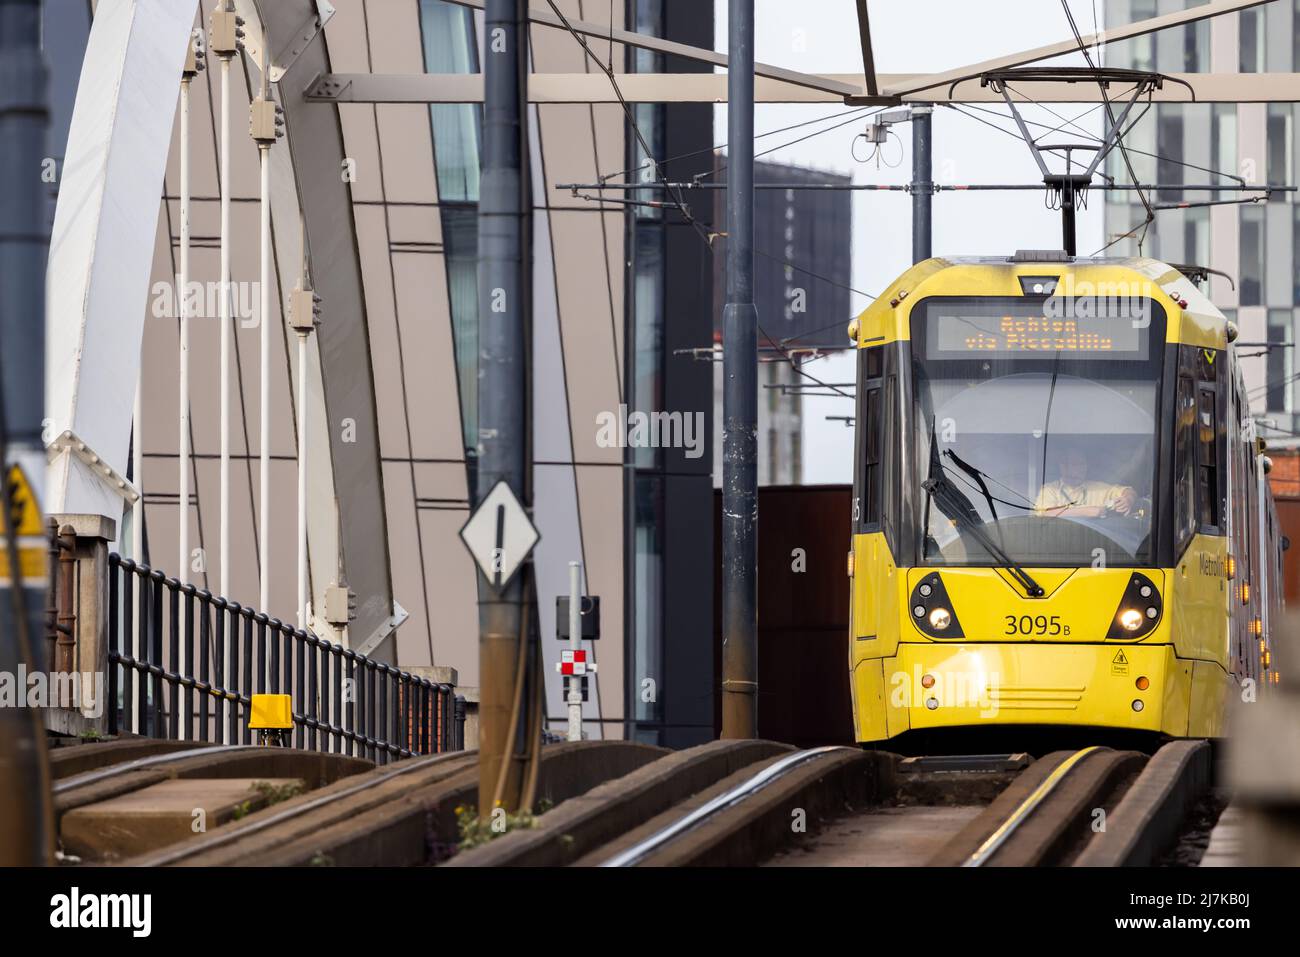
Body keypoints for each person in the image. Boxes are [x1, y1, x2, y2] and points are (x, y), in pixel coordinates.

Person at [1035, 447, 1137, 518]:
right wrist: (1087, 511)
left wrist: (1128, 499)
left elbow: (1127, 490)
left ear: (1087, 466)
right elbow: (1045, 513)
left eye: (1081, 464)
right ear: (1062, 466)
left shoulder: (1098, 488)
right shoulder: (1050, 489)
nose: (1076, 469)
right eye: (1072, 464)